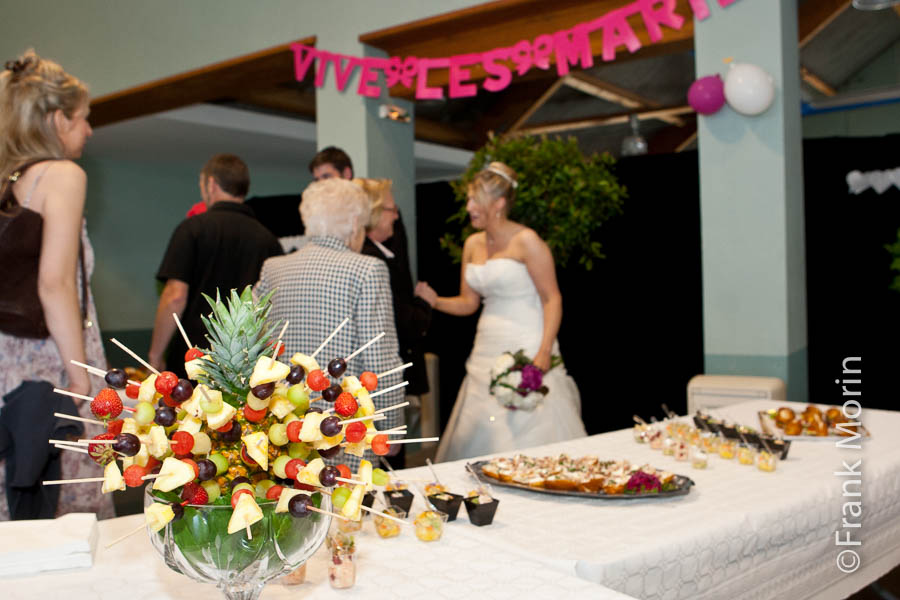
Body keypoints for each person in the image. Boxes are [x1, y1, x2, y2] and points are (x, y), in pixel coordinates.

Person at [0, 50, 113, 520]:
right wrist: (81, 380)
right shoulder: (61, 176)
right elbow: (55, 284)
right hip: (49, 364)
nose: (88, 130)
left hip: (8, 367)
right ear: (56, 119)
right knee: (68, 514)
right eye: (83, 119)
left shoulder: (7, 182)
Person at [418, 162, 586, 462]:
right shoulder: (472, 244)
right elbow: (469, 303)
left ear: (499, 204)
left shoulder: (527, 241)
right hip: (486, 345)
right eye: (469, 200)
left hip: (527, 339)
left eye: (475, 200)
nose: (469, 207)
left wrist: (544, 351)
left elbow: (552, 298)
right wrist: (436, 301)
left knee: (531, 427)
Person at [254, 178, 405, 471]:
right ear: (352, 223)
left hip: (287, 425)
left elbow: (259, 343)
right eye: (362, 227)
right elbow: (380, 358)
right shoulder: (367, 269)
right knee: (345, 506)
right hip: (343, 427)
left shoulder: (273, 268)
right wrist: (391, 427)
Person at [149, 154, 282, 376]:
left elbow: (175, 296)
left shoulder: (192, 229)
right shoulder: (268, 240)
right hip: (245, 362)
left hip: (193, 359)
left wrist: (155, 355)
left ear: (210, 184)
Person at [356, 178, 433, 463]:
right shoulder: (374, 263)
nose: (397, 216)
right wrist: (425, 303)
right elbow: (398, 327)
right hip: (378, 388)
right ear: (373, 212)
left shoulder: (383, 253)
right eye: (391, 209)